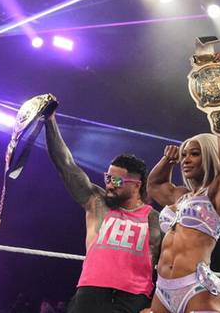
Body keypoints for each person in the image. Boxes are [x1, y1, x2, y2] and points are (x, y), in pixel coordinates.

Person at [43, 114, 160, 313]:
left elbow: (168, 265)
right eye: (108, 177)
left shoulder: (154, 219)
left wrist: (155, 306)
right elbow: (66, 164)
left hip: (133, 300)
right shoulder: (97, 202)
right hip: (90, 294)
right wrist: (50, 120)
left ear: (136, 186)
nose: (108, 185)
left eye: (116, 181)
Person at [147, 132, 220, 313]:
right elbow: (154, 186)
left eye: (195, 154)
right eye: (184, 155)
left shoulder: (217, 193)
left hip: (196, 288)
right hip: (163, 288)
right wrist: (168, 160)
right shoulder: (179, 196)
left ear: (210, 156)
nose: (186, 160)